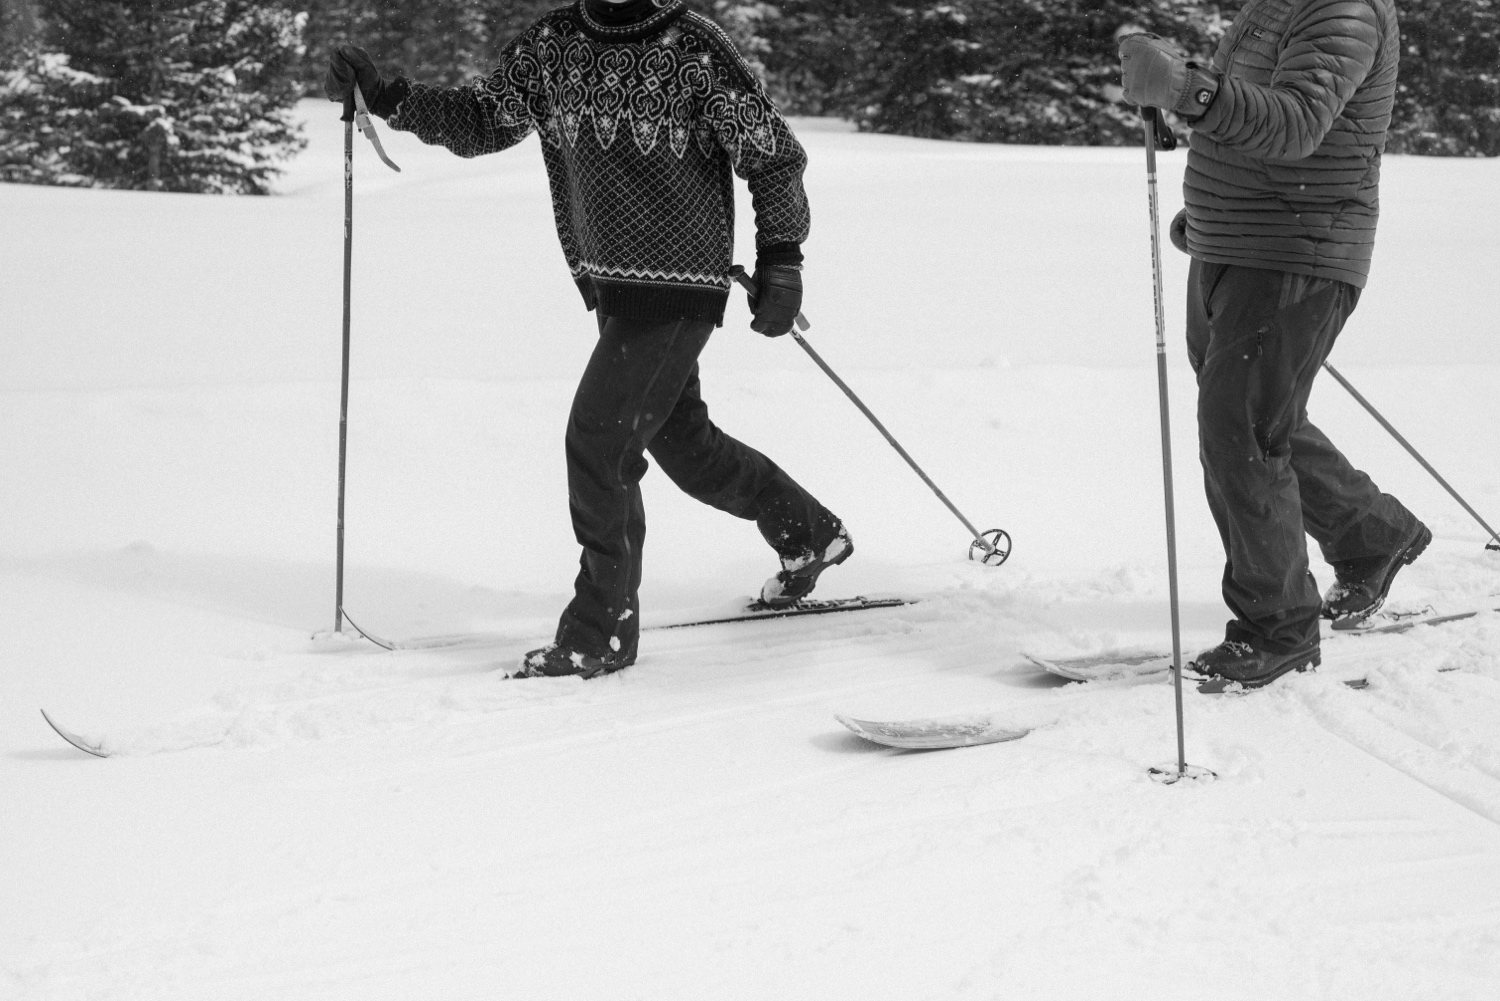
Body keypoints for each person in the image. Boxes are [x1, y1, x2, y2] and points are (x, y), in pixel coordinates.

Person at [324, 0, 852, 679]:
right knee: (683, 443)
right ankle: (810, 533)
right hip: (615, 286)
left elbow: (773, 155)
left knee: (598, 440)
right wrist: (390, 96)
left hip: (679, 286)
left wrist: (783, 257)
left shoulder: (693, 47)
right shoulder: (556, 41)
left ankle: (600, 631)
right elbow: (485, 119)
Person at [1118, 0, 1428, 689]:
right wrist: (1208, 192)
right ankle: (1369, 534)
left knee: (1241, 430)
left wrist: (1186, 88)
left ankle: (1280, 627)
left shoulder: (1342, 8)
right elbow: (1247, 119)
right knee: (1257, 421)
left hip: (1296, 251)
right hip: (1239, 242)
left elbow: (1294, 123)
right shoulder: (1274, 7)